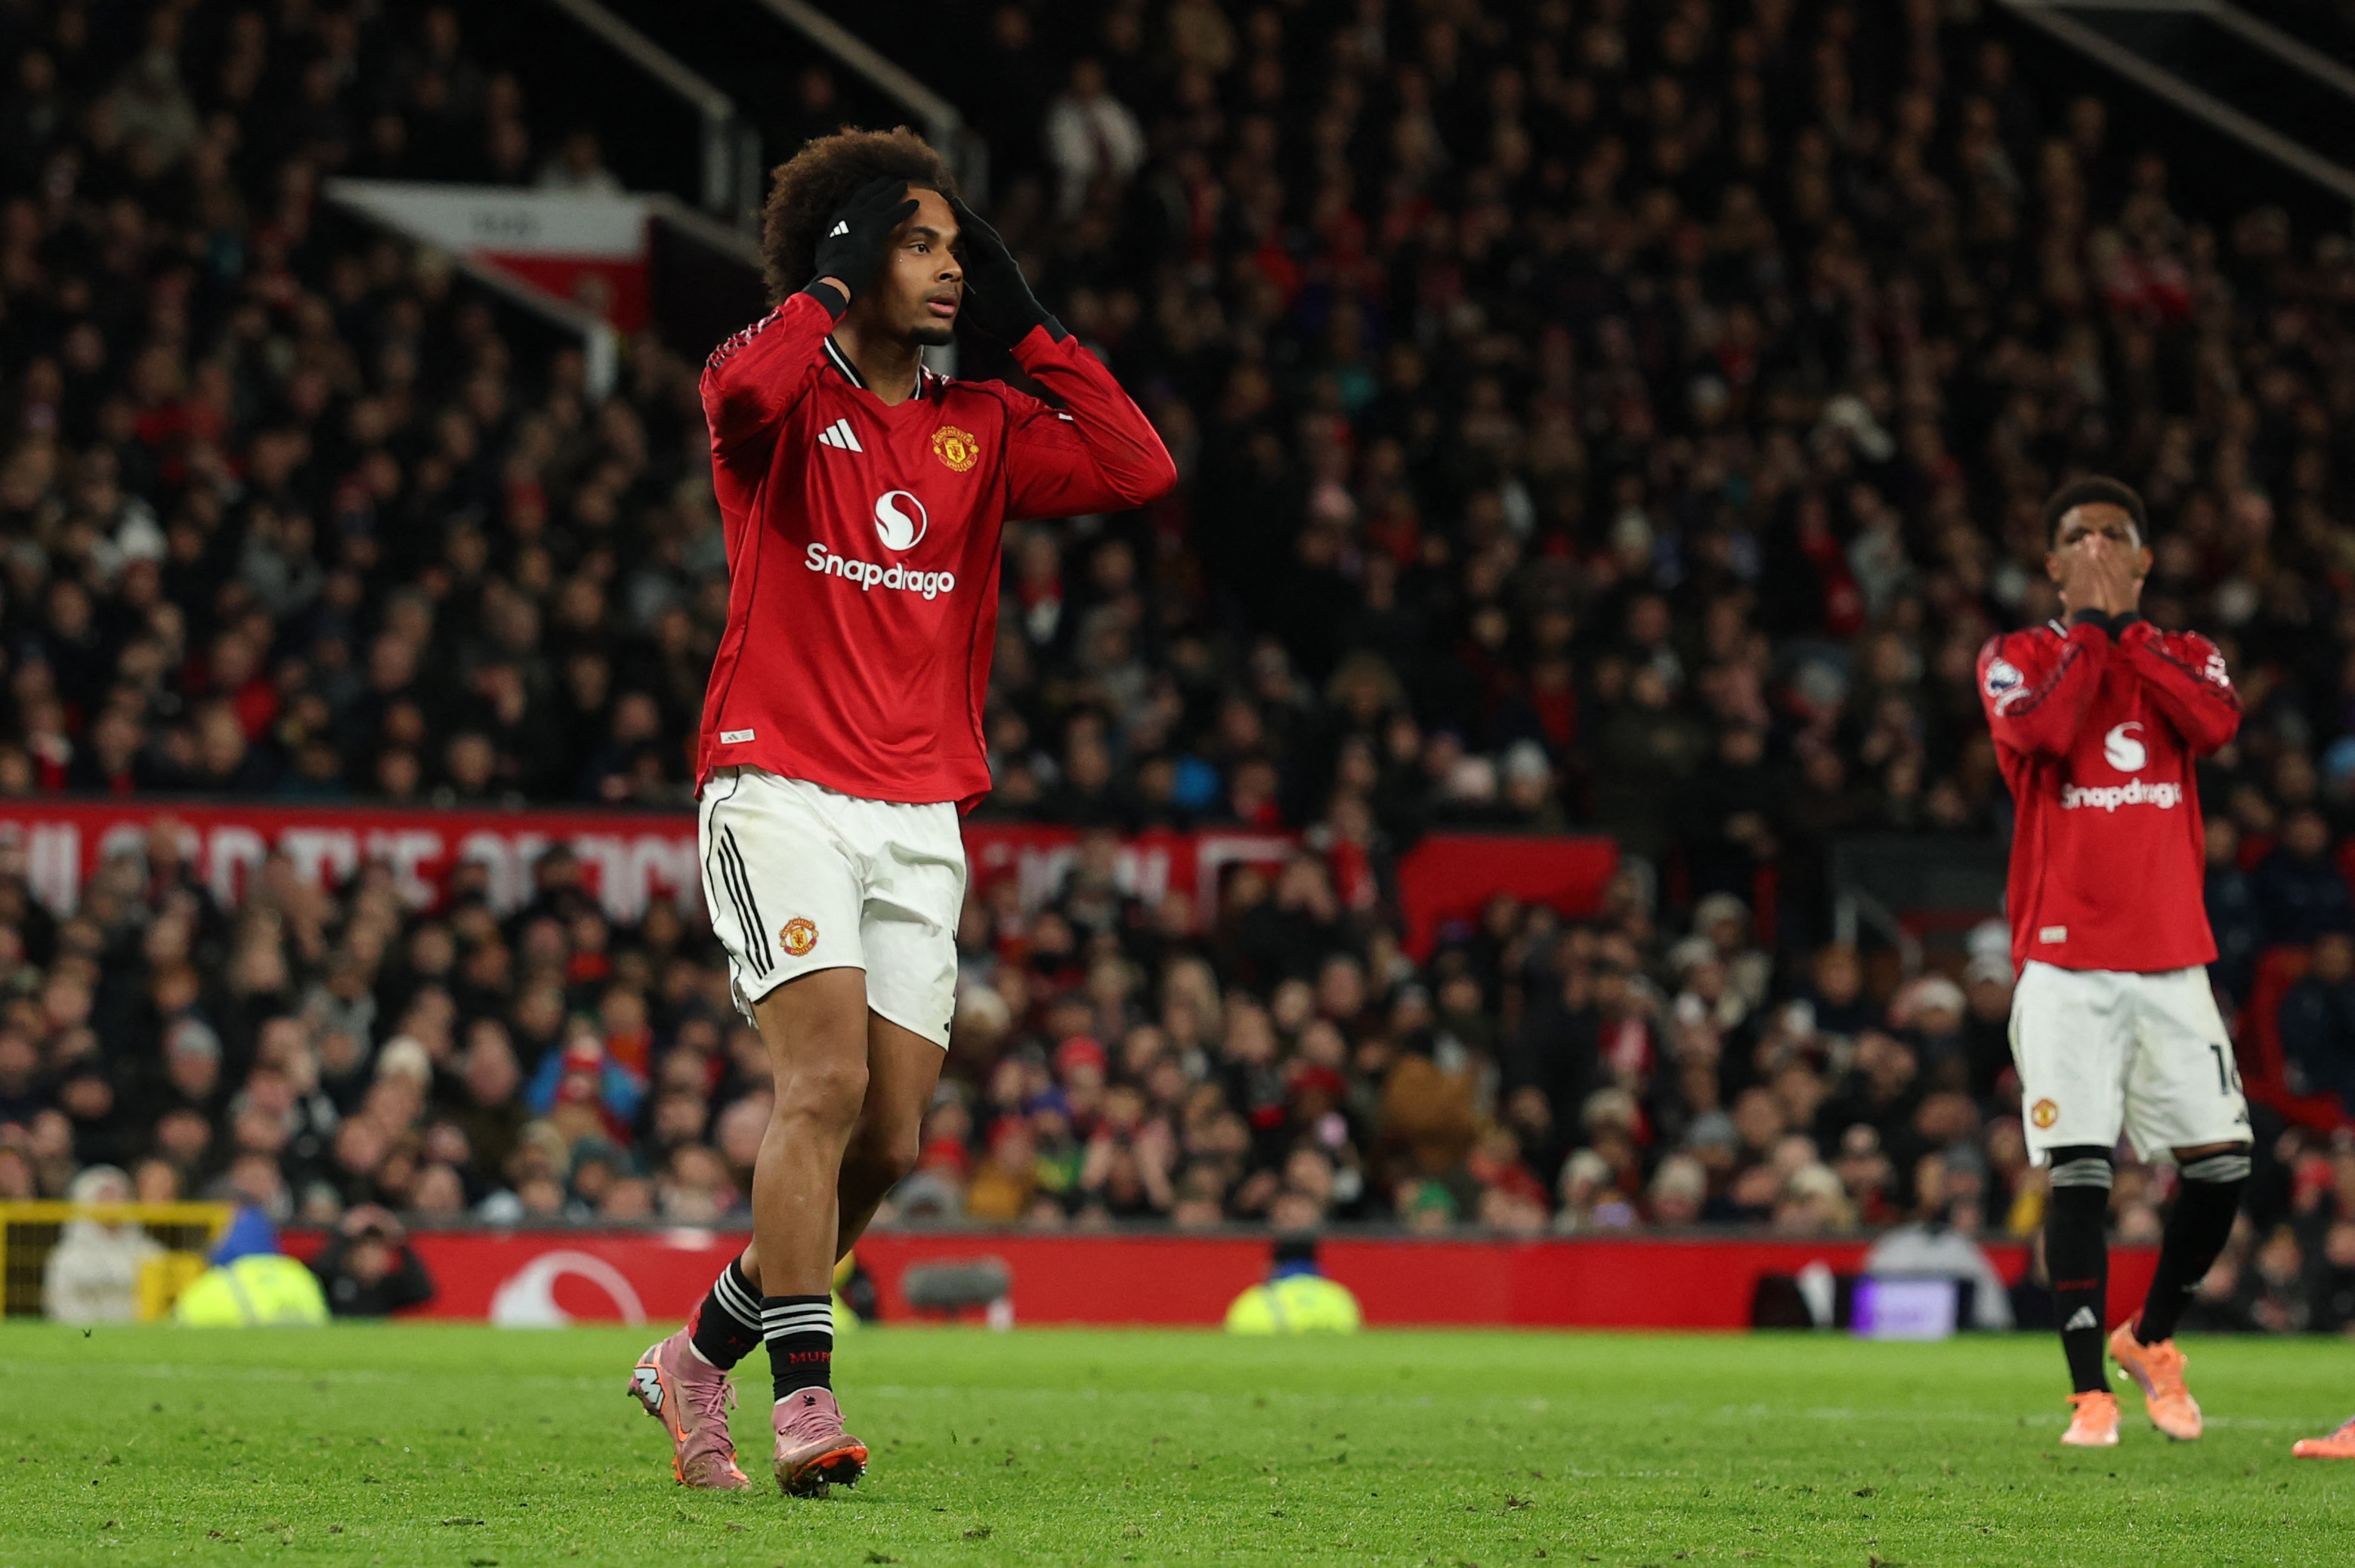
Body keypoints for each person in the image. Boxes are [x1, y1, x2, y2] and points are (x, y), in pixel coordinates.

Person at [626, 127, 1173, 1497]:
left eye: (956, 248)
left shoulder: (978, 426)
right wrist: (821, 282)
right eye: (923, 244)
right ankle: (803, 1399)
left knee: (888, 1139)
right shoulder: (777, 399)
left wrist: (1028, 322)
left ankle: (699, 1358)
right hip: (777, 783)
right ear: (856, 254)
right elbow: (733, 389)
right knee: (819, 1084)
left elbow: (1135, 468)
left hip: (919, 809)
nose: (951, 269)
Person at [1976, 476, 2248, 1449]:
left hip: (2172, 959)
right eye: (2078, 536)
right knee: (2080, 1169)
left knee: (2222, 1168)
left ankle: (2152, 1339)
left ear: (2144, 560)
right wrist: (2090, 631)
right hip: (2065, 962)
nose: (2095, 546)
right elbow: (2042, 731)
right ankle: (2089, 1393)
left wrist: (2124, 633)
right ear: (2051, 565)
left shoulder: (2185, 654)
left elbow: (2215, 727)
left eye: (2114, 535)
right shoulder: (2014, 659)